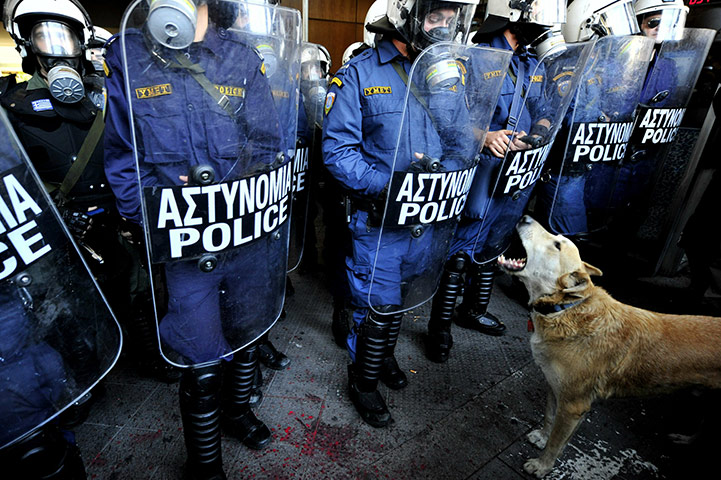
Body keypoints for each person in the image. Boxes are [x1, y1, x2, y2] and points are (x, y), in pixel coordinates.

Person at [104, 1, 298, 478]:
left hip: (245, 233)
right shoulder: (129, 57)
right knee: (199, 353)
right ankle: (204, 462)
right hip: (186, 244)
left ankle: (237, 413)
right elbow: (123, 160)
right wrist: (152, 221)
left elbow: (270, 144)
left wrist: (247, 192)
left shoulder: (240, 57)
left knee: (248, 333)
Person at [0, 0, 177, 383]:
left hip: (115, 216)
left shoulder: (110, 95)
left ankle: (149, 354)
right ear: (27, 46)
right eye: (44, 36)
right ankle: (81, 377)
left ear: (82, 42)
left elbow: (138, 150)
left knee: (138, 288)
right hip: (54, 225)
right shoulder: (10, 105)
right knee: (60, 304)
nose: (56, 47)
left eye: (64, 35)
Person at [323, 0, 480, 427]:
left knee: (399, 302)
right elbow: (337, 153)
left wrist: (443, 177)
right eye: (435, 18)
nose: (444, 27)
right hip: (380, 221)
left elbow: (459, 140)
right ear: (405, 17)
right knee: (374, 305)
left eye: (451, 20)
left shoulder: (446, 75)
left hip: (426, 220)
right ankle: (364, 381)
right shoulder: (359, 75)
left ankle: (383, 358)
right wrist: (390, 185)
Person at [424, 0, 569, 363]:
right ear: (514, 13)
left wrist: (537, 133)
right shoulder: (476, 56)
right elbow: (445, 114)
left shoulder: (531, 63)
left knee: (496, 242)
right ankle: (438, 328)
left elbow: (545, 112)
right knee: (459, 252)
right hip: (479, 171)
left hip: (516, 171)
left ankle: (473, 310)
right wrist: (484, 135)